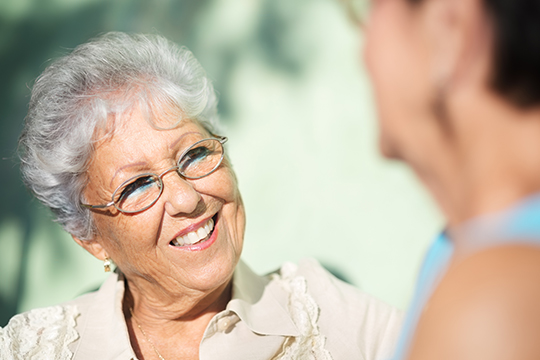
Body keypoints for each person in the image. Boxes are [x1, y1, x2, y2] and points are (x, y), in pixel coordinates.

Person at [1, 32, 401, 360]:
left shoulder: (337, 320)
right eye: (136, 185)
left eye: (194, 155)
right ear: (91, 239)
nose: (186, 198)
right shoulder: (28, 350)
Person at [359, 0, 540, 359]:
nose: (362, 52)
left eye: (373, 8)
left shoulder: (494, 300)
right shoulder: (458, 247)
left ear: (450, 28)